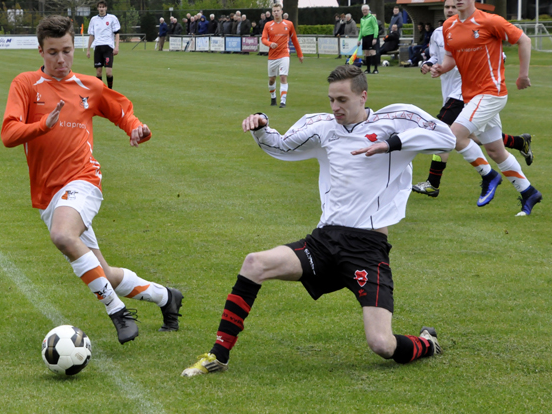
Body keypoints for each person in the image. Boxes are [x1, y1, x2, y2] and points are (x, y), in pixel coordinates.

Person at [181, 65, 452, 377]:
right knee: (254, 263)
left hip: (367, 248)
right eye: (331, 100)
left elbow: (445, 140)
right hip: (324, 240)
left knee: (381, 344)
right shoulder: (322, 127)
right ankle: (218, 356)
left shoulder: (395, 122)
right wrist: (261, 126)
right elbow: (280, 145)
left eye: (342, 99)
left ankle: (427, 343)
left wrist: (392, 144)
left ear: (363, 96)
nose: (335, 107)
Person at [2, 16, 183, 345]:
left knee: (62, 234)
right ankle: (166, 297)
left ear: (75, 49)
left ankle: (118, 313)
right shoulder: (26, 84)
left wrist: (136, 129)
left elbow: (122, 110)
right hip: (49, 195)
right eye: (53, 52)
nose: (61, 60)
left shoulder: (90, 86)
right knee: (105, 274)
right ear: (40, 51)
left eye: (67, 51)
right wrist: (43, 125)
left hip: (83, 180)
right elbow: (9, 133)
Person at [431, 0, 542, 215]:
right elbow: (451, 58)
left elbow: (524, 41)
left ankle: (489, 176)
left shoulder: (490, 21)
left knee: (453, 135)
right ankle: (529, 192)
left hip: (491, 93)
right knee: (495, 150)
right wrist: (441, 68)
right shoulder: (448, 26)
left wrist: (523, 75)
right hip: (471, 96)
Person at [414, 0, 533, 198]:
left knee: (444, 132)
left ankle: (435, 183)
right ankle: (519, 145)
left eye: (454, 5)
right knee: (477, 139)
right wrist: (429, 65)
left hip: (468, 92)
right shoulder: (440, 31)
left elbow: (498, 55)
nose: (451, 9)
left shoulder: (482, 25)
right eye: (447, 6)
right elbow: (437, 57)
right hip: (452, 91)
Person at [261, 3, 303, 108]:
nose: (276, 12)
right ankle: (273, 97)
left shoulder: (289, 24)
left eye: (278, 10)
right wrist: (270, 44)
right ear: (272, 13)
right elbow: (263, 39)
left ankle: (283, 101)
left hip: (284, 54)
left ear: (281, 11)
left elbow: (294, 40)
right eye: (274, 11)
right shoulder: (268, 25)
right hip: (272, 56)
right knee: (272, 79)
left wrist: (300, 54)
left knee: (283, 77)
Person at [86, 0, 120, 89]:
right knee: (98, 72)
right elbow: (91, 35)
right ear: (98, 8)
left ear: (106, 8)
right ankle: (101, 92)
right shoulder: (93, 19)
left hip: (108, 47)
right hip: (98, 47)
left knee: (108, 72)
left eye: (103, 7)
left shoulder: (112, 18)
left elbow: (117, 33)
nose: (101, 9)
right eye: (100, 7)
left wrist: (116, 47)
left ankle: (110, 90)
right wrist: (88, 49)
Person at [357, 4, 379, 74]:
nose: (364, 11)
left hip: (371, 36)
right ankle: (368, 69)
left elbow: (375, 27)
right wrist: (359, 39)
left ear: (368, 10)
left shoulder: (372, 17)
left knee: (372, 52)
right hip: (365, 37)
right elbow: (361, 29)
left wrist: (375, 37)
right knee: (366, 53)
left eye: (366, 10)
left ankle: (375, 69)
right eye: (363, 10)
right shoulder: (362, 19)